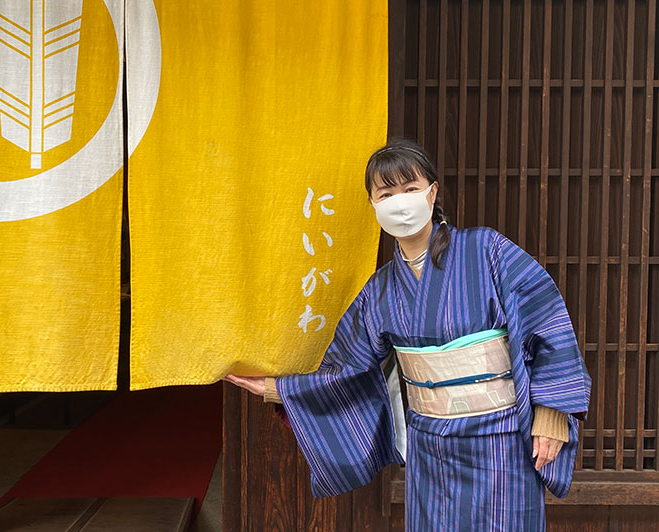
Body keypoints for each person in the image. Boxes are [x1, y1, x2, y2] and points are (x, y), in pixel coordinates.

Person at [224, 138, 591, 531]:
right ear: (374, 205)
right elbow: (348, 368)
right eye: (386, 193)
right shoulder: (379, 290)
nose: (400, 201)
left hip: (499, 439)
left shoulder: (487, 251)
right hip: (429, 447)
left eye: (410, 188)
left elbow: (546, 318)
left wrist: (552, 414)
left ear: (432, 193)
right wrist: (276, 389)